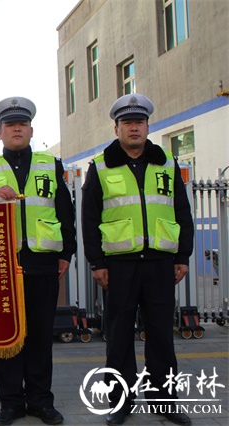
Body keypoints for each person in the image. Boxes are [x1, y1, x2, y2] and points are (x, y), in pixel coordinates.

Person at [81, 94, 194, 426]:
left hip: (161, 263)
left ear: (148, 126)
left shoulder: (167, 164)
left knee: (161, 335)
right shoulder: (100, 166)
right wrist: (96, 262)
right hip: (119, 266)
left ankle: (165, 402)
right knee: (117, 337)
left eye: (139, 122)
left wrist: (182, 256)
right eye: (127, 123)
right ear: (116, 128)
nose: (134, 128)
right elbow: (89, 219)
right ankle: (120, 402)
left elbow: (182, 213)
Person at [0, 97, 76, 426]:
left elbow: (64, 211)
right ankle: (11, 402)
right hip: (0, 265)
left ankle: (41, 400)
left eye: (22, 124)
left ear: (30, 130)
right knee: (8, 336)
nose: (16, 129)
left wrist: (66, 253)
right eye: (10, 125)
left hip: (42, 262)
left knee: (41, 334)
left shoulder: (50, 164)